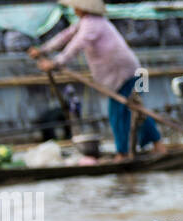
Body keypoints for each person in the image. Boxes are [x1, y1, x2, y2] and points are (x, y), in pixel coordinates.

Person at [29, 0, 165, 159]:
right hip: (125, 71)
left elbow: (76, 45)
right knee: (134, 109)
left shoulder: (93, 25)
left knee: (120, 112)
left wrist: (55, 62)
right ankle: (156, 145)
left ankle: (123, 153)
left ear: (82, 8)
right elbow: (65, 36)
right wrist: (43, 50)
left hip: (123, 72)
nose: (74, 9)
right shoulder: (85, 23)